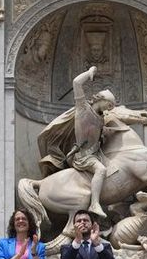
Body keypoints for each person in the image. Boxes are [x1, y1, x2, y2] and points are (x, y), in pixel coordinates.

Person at [37, 66, 116, 217]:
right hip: (83, 156)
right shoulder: (83, 107)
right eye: (110, 105)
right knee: (101, 170)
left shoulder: (101, 118)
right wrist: (89, 73)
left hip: (95, 154)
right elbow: (76, 83)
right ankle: (94, 204)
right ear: (102, 100)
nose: (110, 109)